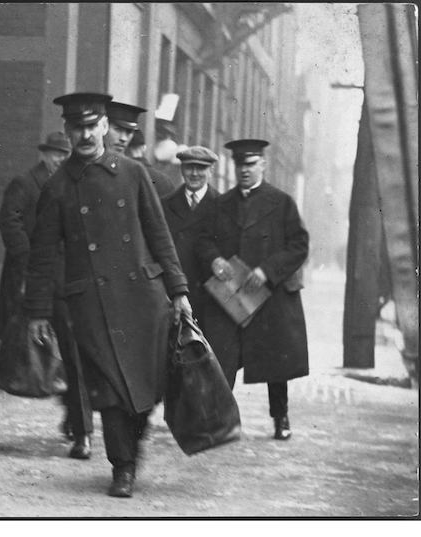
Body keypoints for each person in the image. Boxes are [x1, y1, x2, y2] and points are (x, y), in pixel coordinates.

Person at [24, 92, 191, 497]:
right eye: (76, 127)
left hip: (144, 298)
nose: (84, 134)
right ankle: (123, 467)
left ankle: (132, 444)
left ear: (104, 127)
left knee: (144, 389)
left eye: (91, 125)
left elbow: (159, 235)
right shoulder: (59, 187)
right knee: (113, 391)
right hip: (92, 304)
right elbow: (43, 256)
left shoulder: (133, 174)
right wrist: (38, 312)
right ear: (67, 132)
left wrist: (179, 290)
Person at [197, 139, 309, 441]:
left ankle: (280, 416)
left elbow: (299, 245)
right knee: (222, 356)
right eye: (239, 164)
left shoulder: (281, 202)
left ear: (263, 165)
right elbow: (204, 240)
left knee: (276, 361)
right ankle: (219, 420)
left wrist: (268, 271)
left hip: (269, 293)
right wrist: (215, 259)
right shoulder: (221, 204)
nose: (244, 170)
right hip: (232, 293)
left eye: (250, 164)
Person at [0, 131, 94, 459]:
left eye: (63, 155)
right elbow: (9, 222)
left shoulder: (73, 185)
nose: (59, 160)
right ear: (44, 154)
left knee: (74, 354)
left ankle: (78, 422)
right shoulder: (25, 183)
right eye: (54, 154)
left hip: (65, 282)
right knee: (29, 339)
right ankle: (37, 383)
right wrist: (30, 259)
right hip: (32, 276)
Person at [161, 146, 220, 325]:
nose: (194, 173)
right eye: (189, 167)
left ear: (211, 171)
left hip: (209, 300)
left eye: (201, 168)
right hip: (174, 295)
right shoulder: (164, 205)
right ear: (181, 169)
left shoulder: (223, 206)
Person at [105, 102, 178, 198]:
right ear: (104, 127)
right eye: (117, 129)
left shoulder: (136, 173)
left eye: (129, 132)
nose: (123, 138)